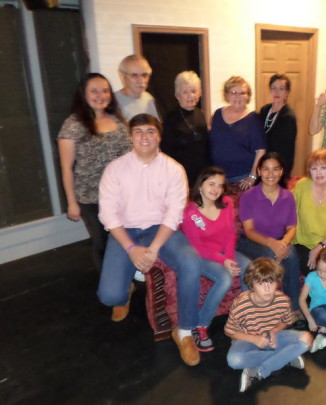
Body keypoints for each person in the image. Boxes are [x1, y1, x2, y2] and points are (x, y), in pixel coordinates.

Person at [97, 113, 203, 367]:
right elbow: (108, 215)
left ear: (159, 136)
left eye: (150, 131)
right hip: (126, 230)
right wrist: (132, 249)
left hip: (161, 230)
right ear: (131, 137)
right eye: (139, 132)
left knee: (191, 262)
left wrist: (153, 248)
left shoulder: (174, 169)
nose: (144, 136)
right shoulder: (115, 169)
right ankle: (125, 292)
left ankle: (185, 331)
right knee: (109, 296)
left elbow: (174, 213)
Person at [57, 73, 131, 272]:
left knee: (124, 238)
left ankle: (125, 276)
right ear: (84, 94)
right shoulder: (73, 125)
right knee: (103, 242)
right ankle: (110, 284)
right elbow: (66, 168)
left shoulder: (118, 120)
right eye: (94, 91)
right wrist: (72, 202)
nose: (101, 95)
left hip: (122, 194)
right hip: (92, 197)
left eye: (105, 90)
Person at [181, 166, 251, 352]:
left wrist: (229, 258)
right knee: (225, 279)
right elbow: (198, 247)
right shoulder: (190, 212)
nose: (216, 189)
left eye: (220, 185)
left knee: (249, 268)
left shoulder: (226, 202)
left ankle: (245, 319)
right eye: (211, 184)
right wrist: (223, 262)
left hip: (225, 252)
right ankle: (201, 326)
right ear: (201, 185)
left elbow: (230, 234)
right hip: (203, 256)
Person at [225, 258, 313, 393]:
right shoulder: (241, 303)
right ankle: (285, 358)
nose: (267, 289)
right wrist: (254, 339)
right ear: (251, 285)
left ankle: (259, 370)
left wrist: (274, 330)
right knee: (234, 360)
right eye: (261, 283)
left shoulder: (283, 300)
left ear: (277, 282)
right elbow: (229, 331)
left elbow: (286, 321)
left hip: (274, 337)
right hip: (248, 338)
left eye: (271, 282)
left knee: (307, 339)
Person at [237, 152, 300, 311]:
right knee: (270, 253)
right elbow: (249, 230)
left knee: (291, 255)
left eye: (275, 169)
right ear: (258, 171)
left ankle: (293, 309)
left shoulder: (288, 196)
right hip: (251, 242)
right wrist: (273, 244)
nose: (270, 174)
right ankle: (271, 309)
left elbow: (292, 228)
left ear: (281, 171)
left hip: (279, 240)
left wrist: (283, 244)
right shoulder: (248, 196)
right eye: (266, 169)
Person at [210, 76, 266, 190]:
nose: (238, 96)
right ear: (227, 94)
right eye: (234, 92)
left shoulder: (254, 119)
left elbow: (261, 150)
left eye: (242, 93)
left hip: (242, 178)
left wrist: (253, 175)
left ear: (248, 96)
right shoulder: (217, 114)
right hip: (218, 177)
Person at [161, 71, 210, 187]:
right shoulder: (170, 118)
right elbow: (166, 151)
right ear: (177, 95)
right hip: (181, 175)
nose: (190, 96)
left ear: (199, 93)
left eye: (194, 91)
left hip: (201, 174)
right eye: (185, 92)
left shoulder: (201, 114)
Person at [259, 74, 297, 178]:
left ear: (287, 92)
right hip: (263, 163)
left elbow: (288, 149)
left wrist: (284, 172)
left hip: (278, 166)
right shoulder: (264, 110)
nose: (276, 92)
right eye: (273, 88)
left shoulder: (288, 116)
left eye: (281, 88)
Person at [115, 55, 160, 121]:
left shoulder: (149, 99)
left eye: (145, 75)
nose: (141, 81)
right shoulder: (114, 102)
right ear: (122, 76)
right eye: (134, 75)